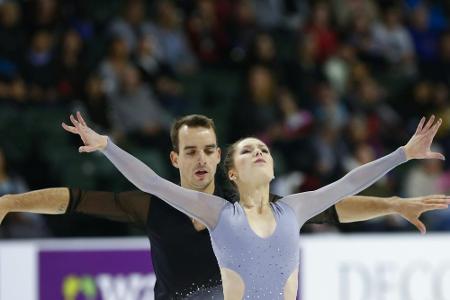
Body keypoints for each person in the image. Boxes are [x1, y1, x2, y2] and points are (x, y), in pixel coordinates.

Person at [0, 114, 448, 299]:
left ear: (219, 159)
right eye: (249, 150)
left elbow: (343, 192)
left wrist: (398, 176)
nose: (260, 153)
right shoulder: (210, 213)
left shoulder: (282, 208)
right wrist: (108, 146)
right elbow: (134, 185)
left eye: (265, 151)